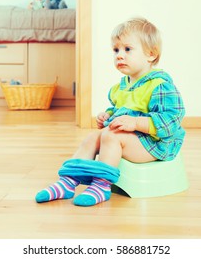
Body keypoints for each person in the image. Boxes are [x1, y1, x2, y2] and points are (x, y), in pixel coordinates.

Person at [35, 17, 185, 207]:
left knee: (111, 137)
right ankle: (67, 182)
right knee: (93, 137)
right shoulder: (121, 87)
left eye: (127, 49)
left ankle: (102, 185)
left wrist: (136, 123)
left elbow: (172, 120)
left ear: (151, 55)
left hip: (157, 144)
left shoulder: (160, 86)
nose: (119, 55)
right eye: (116, 50)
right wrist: (108, 115)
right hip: (134, 138)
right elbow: (119, 109)